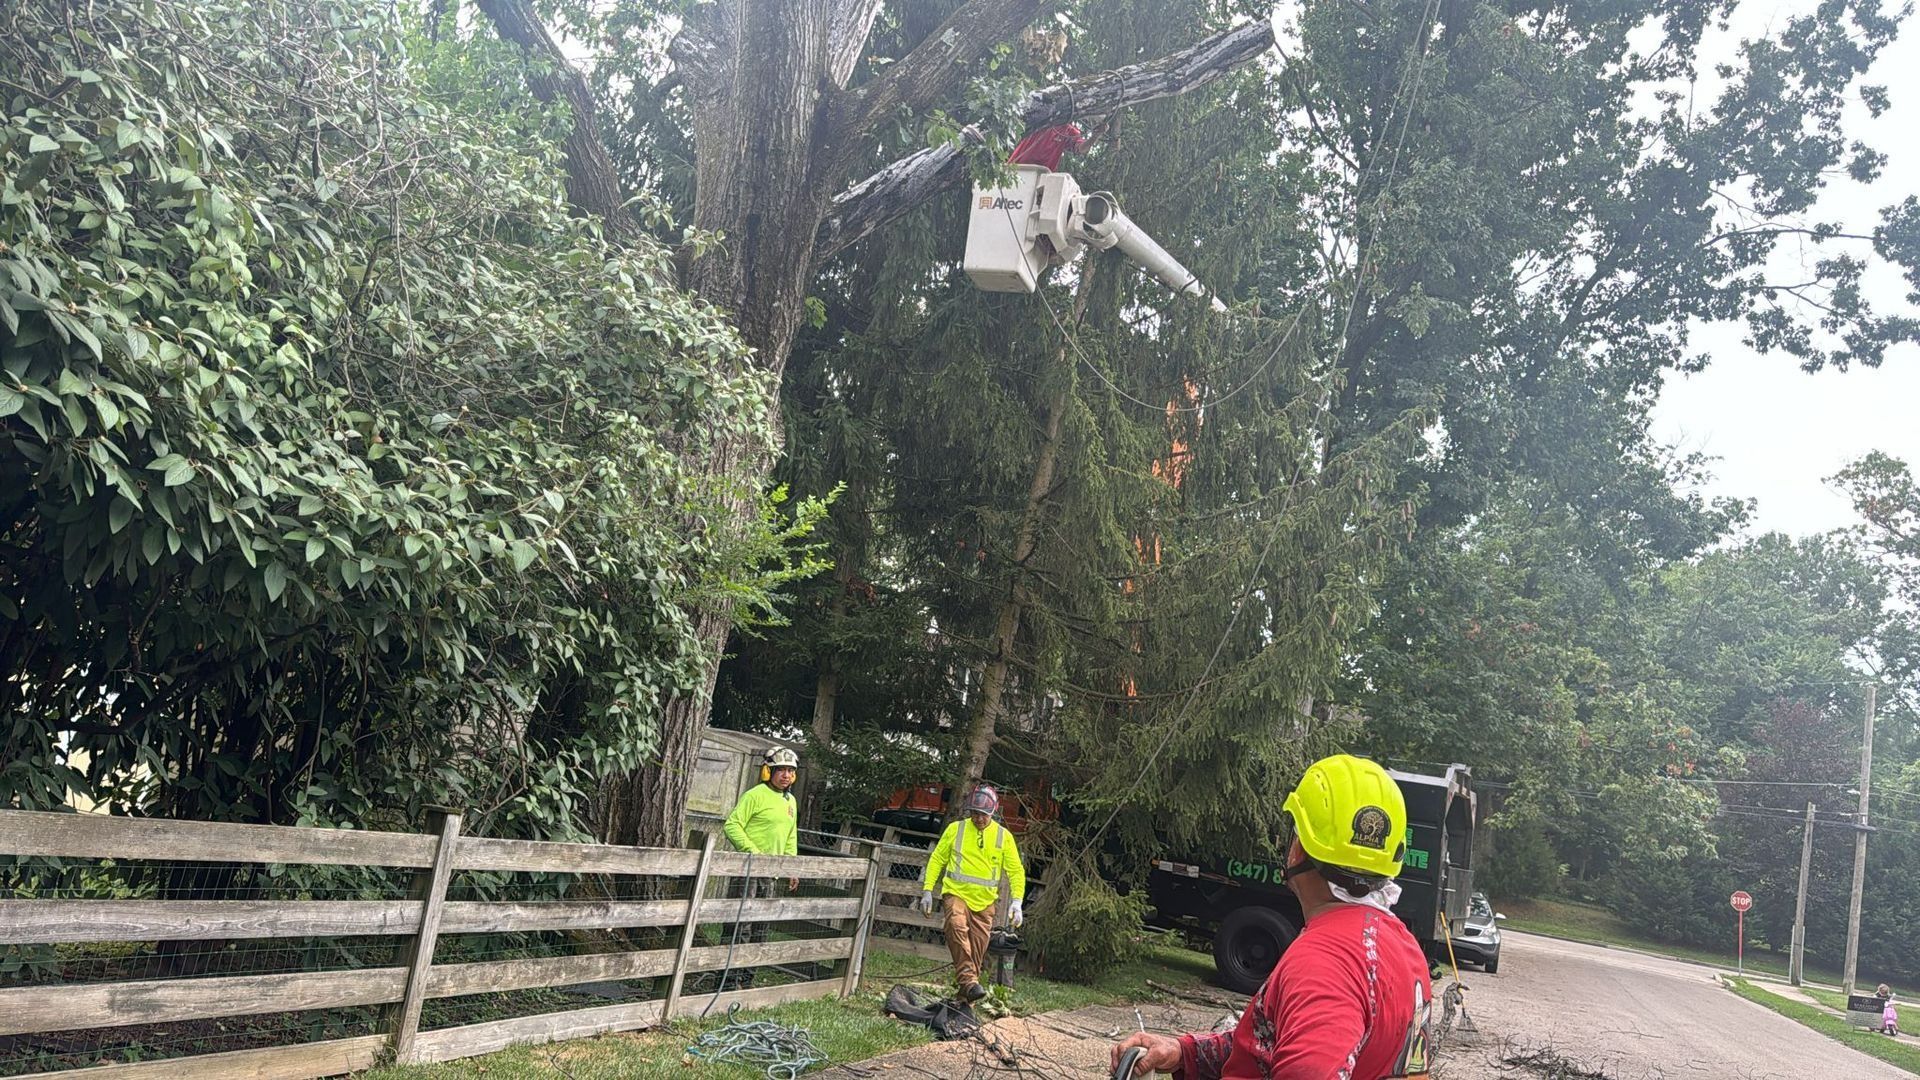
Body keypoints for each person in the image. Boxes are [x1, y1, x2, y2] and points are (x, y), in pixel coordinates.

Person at [1111, 754, 1434, 1079]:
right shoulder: (1403, 949)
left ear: (1298, 848)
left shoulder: (1323, 965)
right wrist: (1185, 1053)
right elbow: (1277, 1043)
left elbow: (1311, 1067)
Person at [920, 784, 1027, 1002]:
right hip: (956, 893)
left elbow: (1015, 870)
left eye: (984, 815)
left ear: (993, 813)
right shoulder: (955, 829)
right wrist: (927, 890)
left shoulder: (1003, 836)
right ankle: (969, 982)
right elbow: (937, 859)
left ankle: (965, 1000)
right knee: (956, 926)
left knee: (976, 953)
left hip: (985, 902)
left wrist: (1017, 901)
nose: (979, 818)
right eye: (975, 814)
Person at [719, 746, 801, 982]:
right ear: (769, 771)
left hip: (772, 875)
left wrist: (792, 867)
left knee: (761, 929)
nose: (786, 775)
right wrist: (753, 852)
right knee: (740, 925)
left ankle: (747, 978)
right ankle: (727, 979)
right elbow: (732, 825)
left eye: (790, 771)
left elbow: (790, 836)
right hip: (748, 873)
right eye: (781, 770)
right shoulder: (754, 795)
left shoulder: (791, 802)